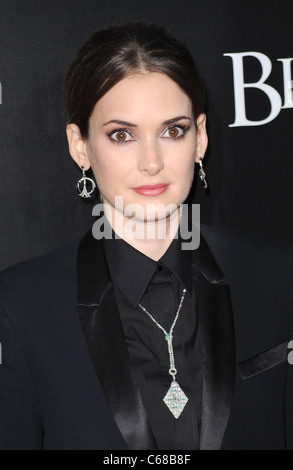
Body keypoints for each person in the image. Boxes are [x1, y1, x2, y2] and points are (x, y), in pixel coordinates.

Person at [0, 21, 292, 451]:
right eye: (122, 135)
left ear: (200, 138)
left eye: (173, 131)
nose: (151, 162)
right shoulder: (23, 304)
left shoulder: (276, 275)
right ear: (80, 146)